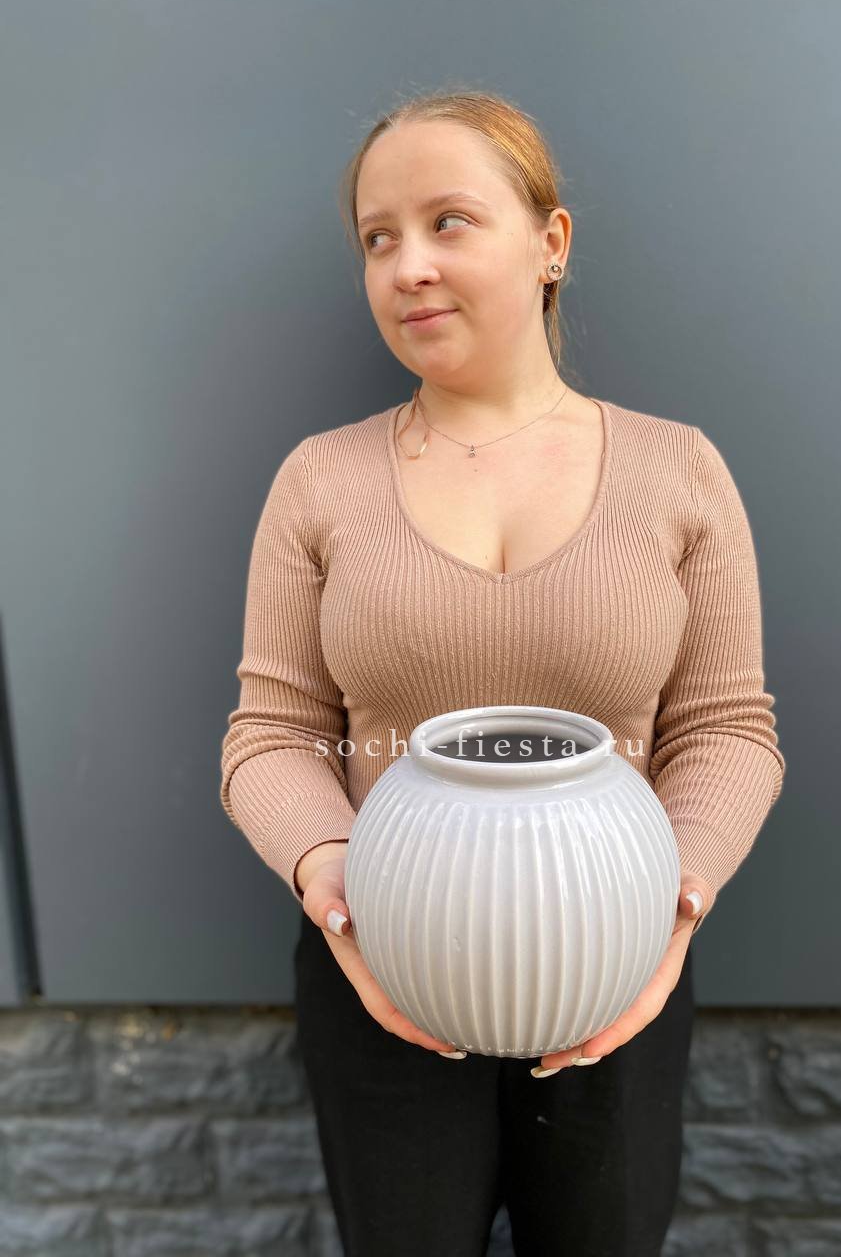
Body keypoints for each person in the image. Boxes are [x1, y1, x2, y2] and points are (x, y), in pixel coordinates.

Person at [220, 90, 785, 1257]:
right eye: (379, 237)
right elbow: (271, 733)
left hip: (616, 964)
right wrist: (337, 892)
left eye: (448, 221)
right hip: (378, 976)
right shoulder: (321, 480)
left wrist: (674, 912)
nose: (409, 266)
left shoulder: (676, 471)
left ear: (550, 243)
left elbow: (728, 727)